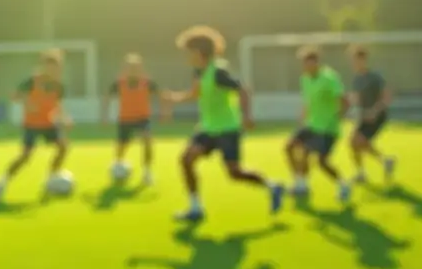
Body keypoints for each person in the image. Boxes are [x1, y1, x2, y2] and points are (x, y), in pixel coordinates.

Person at [161, 26, 285, 222]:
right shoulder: (198, 72)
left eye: (187, 52)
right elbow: (195, 94)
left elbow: (243, 89)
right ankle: (195, 208)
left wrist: (247, 115)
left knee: (235, 173)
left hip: (227, 129)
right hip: (207, 128)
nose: (185, 56)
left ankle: (272, 186)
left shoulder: (218, 72)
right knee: (186, 160)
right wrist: (173, 98)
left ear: (198, 52)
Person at [0, 49, 71, 200]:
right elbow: (14, 95)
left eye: (56, 67)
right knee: (25, 156)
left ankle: (51, 179)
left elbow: (57, 104)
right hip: (31, 124)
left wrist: (65, 118)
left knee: (63, 147)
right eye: (50, 66)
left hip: (48, 123)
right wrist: (26, 101)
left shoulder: (59, 86)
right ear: (44, 66)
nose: (53, 70)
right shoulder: (32, 81)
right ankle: (2, 181)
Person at [285, 46, 351, 202]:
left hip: (327, 128)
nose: (307, 67)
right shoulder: (305, 79)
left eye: (310, 63)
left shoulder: (329, 78)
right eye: (305, 64)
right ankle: (301, 183)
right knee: (289, 147)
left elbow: (344, 101)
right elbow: (308, 101)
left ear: (317, 63)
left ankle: (343, 184)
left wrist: (338, 117)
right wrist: (302, 117)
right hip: (311, 125)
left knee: (322, 162)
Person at [102, 53, 158, 186]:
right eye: (130, 67)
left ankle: (147, 172)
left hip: (142, 119)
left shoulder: (147, 83)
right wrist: (104, 116)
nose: (133, 70)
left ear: (140, 68)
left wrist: (165, 112)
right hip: (125, 119)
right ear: (126, 68)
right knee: (122, 147)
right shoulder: (119, 83)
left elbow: (160, 96)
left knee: (147, 140)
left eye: (136, 67)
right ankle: (118, 167)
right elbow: (107, 98)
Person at [348, 45, 396, 183]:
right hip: (364, 115)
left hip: (377, 115)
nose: (356, 63)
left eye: (358, 60)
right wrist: (352, 106)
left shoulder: (375, 77)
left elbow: (387, 96)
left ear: (364, 60)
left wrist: (374, 111)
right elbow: (357, 98)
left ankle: (383, 162)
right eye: (353, 60)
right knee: (353, 143)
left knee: (358, 141)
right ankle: (366, 171)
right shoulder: (357, 79)